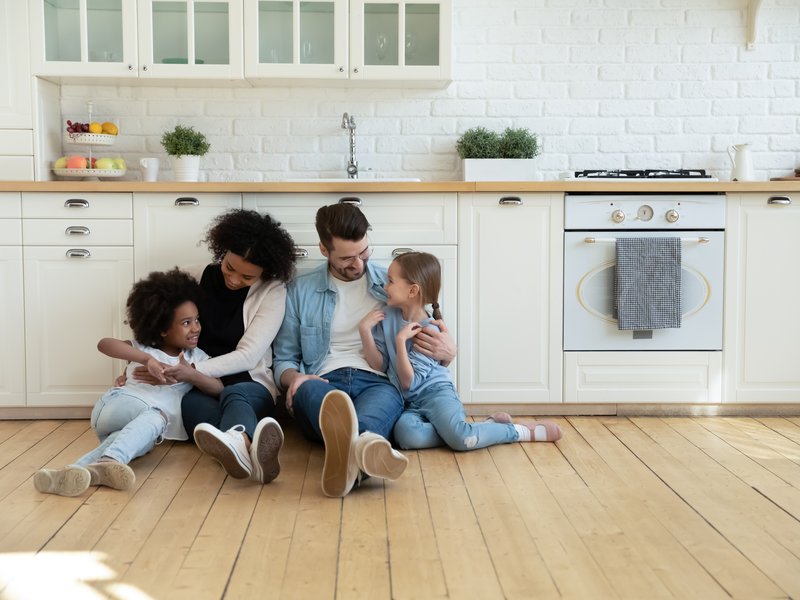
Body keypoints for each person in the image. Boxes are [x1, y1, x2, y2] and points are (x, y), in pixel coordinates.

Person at [273, 203, 457, 498]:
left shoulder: (393, 283)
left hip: (379, 382)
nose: (358, 264)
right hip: (324, 381)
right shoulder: (300, 291)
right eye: (346, 258)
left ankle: (347, 457)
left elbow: (428, 333)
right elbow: (284, 358)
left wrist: (449, 350)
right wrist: (294, 378)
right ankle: (362, 455)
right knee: (309, 391)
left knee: (376, 411)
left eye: (364, 253)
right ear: (324, 249)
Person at [131, 209, 297, 484]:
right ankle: (250, 448)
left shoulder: (272, 290)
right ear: (223, 250)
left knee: (234, 396)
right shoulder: (191, 277)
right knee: (195, 412)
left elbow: (248, 356)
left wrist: (191, 369)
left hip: (249, 384)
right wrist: (137, 365)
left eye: (247, 277)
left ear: (264, 273)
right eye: (229, 267)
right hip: (196, 386)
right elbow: (153, 326)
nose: (233, 279)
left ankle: (238, 442)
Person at [34, 269, 222, 497]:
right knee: (157, 416)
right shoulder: (144, 348)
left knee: (126, 443)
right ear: (162, 329)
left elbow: (218, 388)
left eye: (196, 320)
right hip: (119, 405)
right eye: (186, 322)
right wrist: (147, 359)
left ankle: (68, 475)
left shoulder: (196, 357)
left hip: (136, 427)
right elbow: (104, 344)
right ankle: (111, 461)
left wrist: (190, 375)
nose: (196, 328)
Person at [359, 252, 563, 452]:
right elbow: (380, 365)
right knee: (405, 436)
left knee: (462, 440)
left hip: (436, 394)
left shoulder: (430, 331)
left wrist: (401, 340)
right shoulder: (385, 316)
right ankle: (479, 428)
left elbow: (408, 381)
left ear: (412, 291)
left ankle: (518, 431)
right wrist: (365, 331)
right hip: (409, 402)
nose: (385, 287)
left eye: (390, 281)